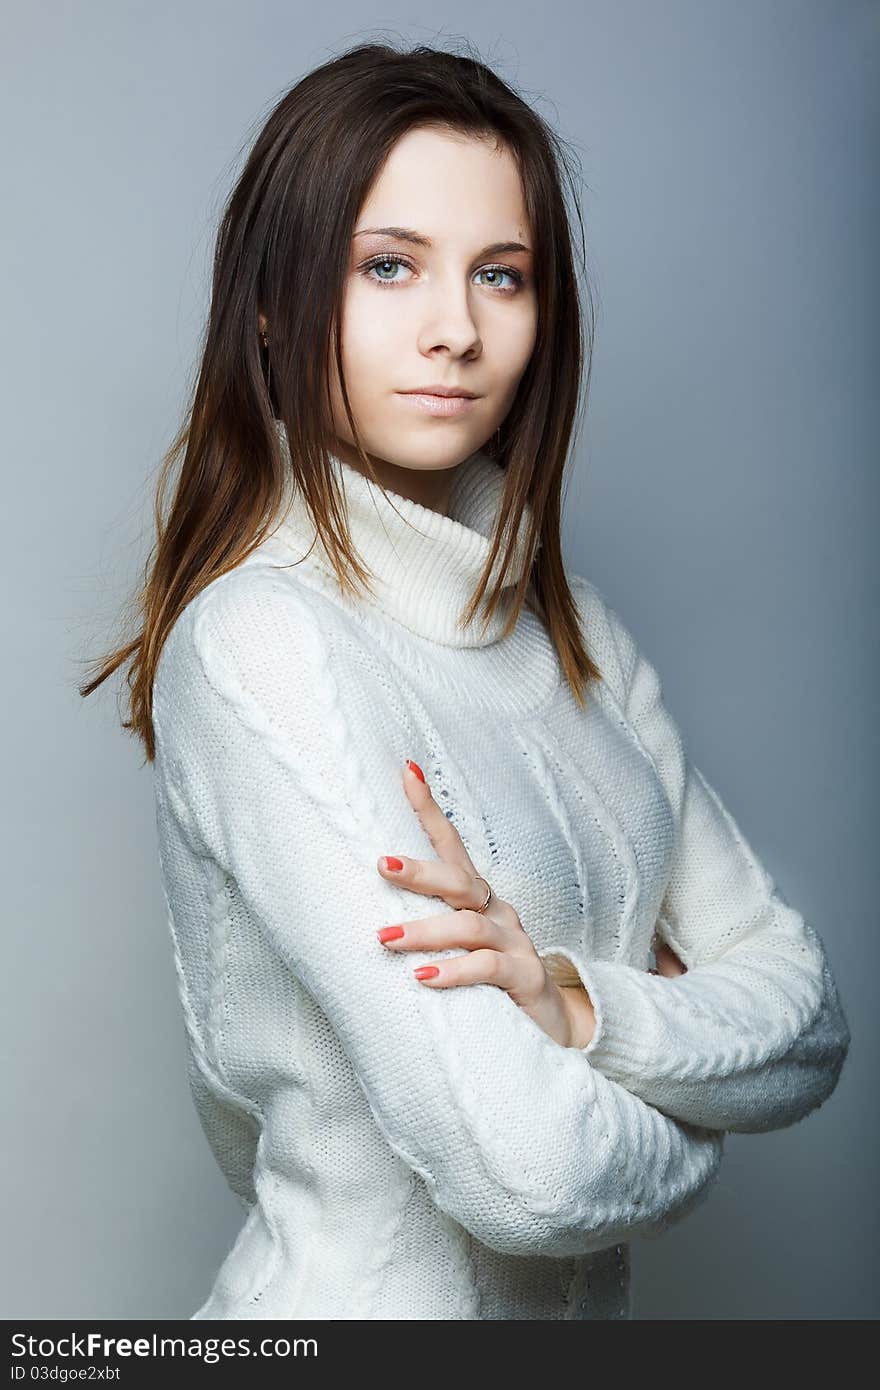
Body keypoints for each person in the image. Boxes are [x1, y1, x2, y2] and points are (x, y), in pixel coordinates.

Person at [81, 40, 851, 1321]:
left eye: (502, 276)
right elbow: (531, 1176)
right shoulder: (267, 643)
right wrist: (700, 1123)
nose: (455, 329)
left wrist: (567, 1004)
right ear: (272, 303)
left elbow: (807, 1024)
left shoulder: (577, 629)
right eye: (388, 267)